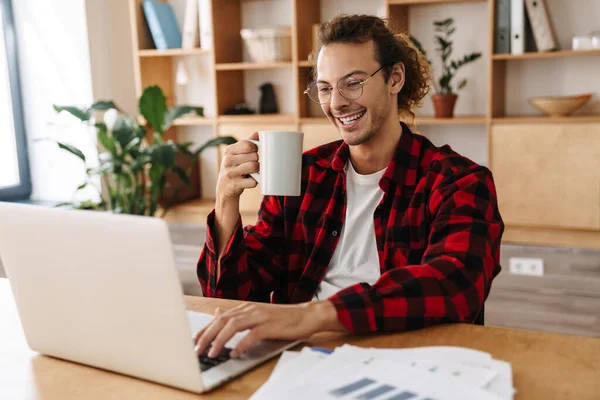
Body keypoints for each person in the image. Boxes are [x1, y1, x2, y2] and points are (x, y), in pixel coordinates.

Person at [194, 14, 504, 359]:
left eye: (352, 83)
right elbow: (230, 297)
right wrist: (225, 202)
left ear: (395, 78)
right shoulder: (303, 175)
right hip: (299, 359)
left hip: (405, 360)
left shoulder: (458, 181)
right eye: (325, 88)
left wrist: (310, 316)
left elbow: (455, 286)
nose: (336, 103)